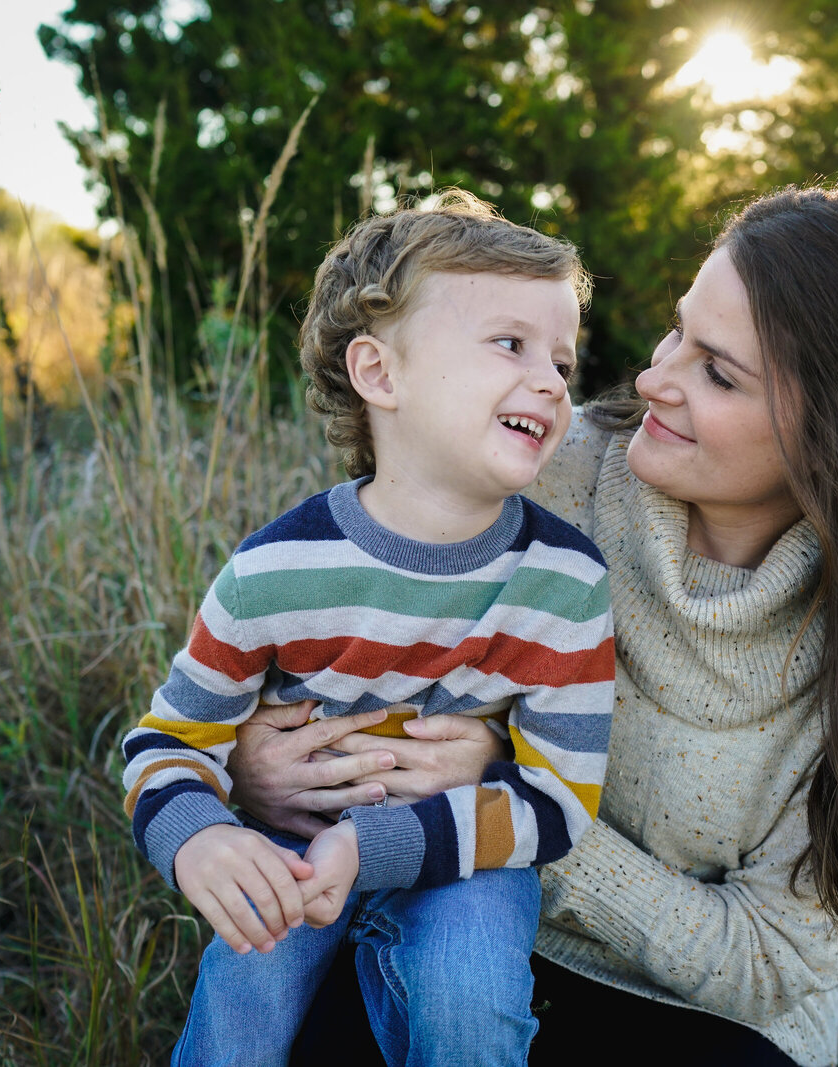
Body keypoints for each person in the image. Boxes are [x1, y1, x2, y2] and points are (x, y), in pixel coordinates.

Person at [229, 183, 838, 1067]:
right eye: (679, 330)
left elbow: (768, 961)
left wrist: (514, 799)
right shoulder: (535, 475)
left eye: (717, 373)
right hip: (466, 927)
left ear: (834, 440)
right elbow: (343, 640)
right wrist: (257, 764)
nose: (652, 379)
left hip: (699, 1019)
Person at [120, 191, 615, 1067]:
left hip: (467, 853)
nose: (549, 380)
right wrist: (199, 836)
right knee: (243, 1008)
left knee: (471, 1003)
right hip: (295, 846)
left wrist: (376, 841)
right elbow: (167, 740)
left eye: (563, 363)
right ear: (381, 374)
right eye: (510, 343)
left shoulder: (565, 583)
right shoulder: (276, 573)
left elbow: (560, 801)